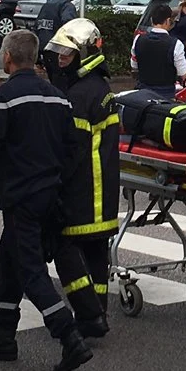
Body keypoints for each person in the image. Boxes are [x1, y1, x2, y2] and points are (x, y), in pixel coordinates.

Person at [0, 30, 94, 371]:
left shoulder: (3, 97)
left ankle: (69, 337)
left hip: (19, 197)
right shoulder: (57, 98)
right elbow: (73, 147)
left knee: (30, 270)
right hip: (50, 195)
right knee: (7, 258)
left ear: (8, 58)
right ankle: (4, 336)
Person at [46, 18, 120, 339]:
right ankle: (98, 309)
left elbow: (71, 150)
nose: (61, 59)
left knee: (64, 249)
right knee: (96, 254)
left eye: (67, 54)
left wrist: (55, 184)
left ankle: (89, 314)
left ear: (85, 53)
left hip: (83, 192)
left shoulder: (79, 95)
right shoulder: (99, 87)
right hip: (103, 191)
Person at [133, 2, 186, 94]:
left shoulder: (138, 39)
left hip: (143, 93)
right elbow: (183, 73)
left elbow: (134, 65)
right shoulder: (176, 44)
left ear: (152, 20)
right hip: (165, 95)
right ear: (168, 21)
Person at [34, 0, 78, 84]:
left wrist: (37, 57)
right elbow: (69, 24)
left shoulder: (47, 5)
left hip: (45, 51)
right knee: (64, 84)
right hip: (59, 51)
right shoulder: (67, 6)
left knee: (54, 82)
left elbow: (38, 28)